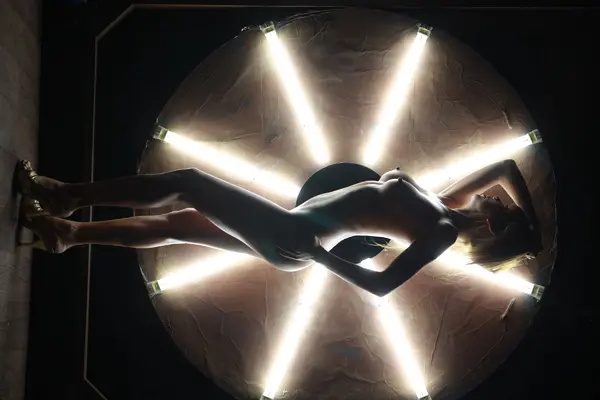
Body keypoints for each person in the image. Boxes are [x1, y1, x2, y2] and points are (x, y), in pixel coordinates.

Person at [15, 158, 542, 297]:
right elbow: (507, 168)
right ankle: (67, 235)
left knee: (187, 183)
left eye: (503, 207)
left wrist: (321, 258)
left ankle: (65, 197)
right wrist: (532, 225)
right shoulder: (447, 203)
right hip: (290, 230)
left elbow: (383, 286)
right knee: (178, 224)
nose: (498, 196)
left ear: (497, 224)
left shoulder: (444, 233)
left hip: (295, 238)